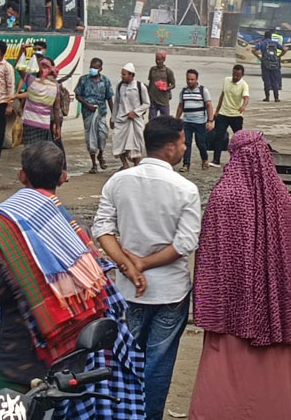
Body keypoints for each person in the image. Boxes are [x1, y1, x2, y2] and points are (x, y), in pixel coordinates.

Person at [0, 143, 145, 419]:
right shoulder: (77, 233)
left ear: (21, 176)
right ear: (63, 177)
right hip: (70, 369)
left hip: (16, 367)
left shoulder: (12, 237)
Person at [189, 130, 291, 419]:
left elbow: (210, 256)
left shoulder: (223, 197)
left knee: (226, 364)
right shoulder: (280, 197)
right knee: (277, 369)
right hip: (275, 312)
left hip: (230, 308)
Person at [94, 117, 201, 420]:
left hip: (129, 290)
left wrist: (129, 266)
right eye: (183, 143)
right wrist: (140, 264)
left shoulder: (119, 180)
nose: (185, 147)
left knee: (125, 358)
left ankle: (122, 414)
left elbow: (102, 229)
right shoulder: (185, 189)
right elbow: (186, 243)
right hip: (170, 291)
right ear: (170, 148)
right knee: (158, 363)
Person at [15, 54, 64, 152]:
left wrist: (22, 52)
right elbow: (56, 108)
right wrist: (57, 126)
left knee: (31, 150)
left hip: (30, 123)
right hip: (43, 124)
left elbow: (19, 67)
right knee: (40, 151)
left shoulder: (32, 81)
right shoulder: (54, 87)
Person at [75, 57, 114, 173]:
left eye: (95, 68)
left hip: (101, 113)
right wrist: (87, 104)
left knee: (103, 135)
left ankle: (100, 154)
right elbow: (78, 95)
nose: (92, 70)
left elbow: (109, 98)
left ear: (100, 69)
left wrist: (113, 115)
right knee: (90, 137)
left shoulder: (105, 81)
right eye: (91, 67)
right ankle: (94, 164)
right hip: (88, 113)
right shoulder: (83, 80)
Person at [111, 63, 150, 169]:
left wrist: (135, 112)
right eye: (122, 74)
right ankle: (125, 165)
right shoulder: (120, 86)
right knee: (119, 142)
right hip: (121, 120)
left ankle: (136, 166)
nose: (122, 76)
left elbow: (146, 103)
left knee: (136, 144)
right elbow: (116, 103)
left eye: (124, 74)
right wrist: (113, 119)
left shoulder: (140, 86)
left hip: (135, 121)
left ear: (131, 75)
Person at [210, 65, 250, 167]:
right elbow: (222, 95)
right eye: (234, 75)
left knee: (238, 138)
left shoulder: (244, 85)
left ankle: (238, 160)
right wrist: (217, 110)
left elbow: (246, 97)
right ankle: (216, 160)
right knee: (218, 136)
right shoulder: (226, 80)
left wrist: (243, 106)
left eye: (237, 76)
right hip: (223, 113)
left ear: (242, 75)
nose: (235, 77)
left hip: (236, 115)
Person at [176, 69, 214, 172]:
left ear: (196, 79)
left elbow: (209, 105)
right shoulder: (183, 91)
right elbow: (180, 106)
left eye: (192, 79)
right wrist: (176, 120)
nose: (189, 81)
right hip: (187, 122)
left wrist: (210, 121)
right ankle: (186, 164)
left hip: (200, 122)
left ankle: (205, 160)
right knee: (187, 143)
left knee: (201, 143)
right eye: (188, 79)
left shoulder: (203, 91)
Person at [251, 31, 284, 102]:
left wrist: (259, 57)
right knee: (275, 80)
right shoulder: (275, 43)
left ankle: (267, 97)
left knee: (266, 80)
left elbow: (253, 50)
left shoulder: (262, 43)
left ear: (264, 36)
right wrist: (279, 56)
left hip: (265, 63)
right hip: (274, 63)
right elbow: (285, 49)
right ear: (271, 37)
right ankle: (276, 98)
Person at [146, 51, 176, 117]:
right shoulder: (152, 69)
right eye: (156, 59)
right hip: (153, 100)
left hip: (163, 100)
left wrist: (166, 88)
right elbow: (150, 82)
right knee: (152, 120)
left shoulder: (168, 71)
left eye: (160, 60)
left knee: (165, 120)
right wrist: (148, 94)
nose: (158, 61)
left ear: (164, 60)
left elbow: (173, 85)